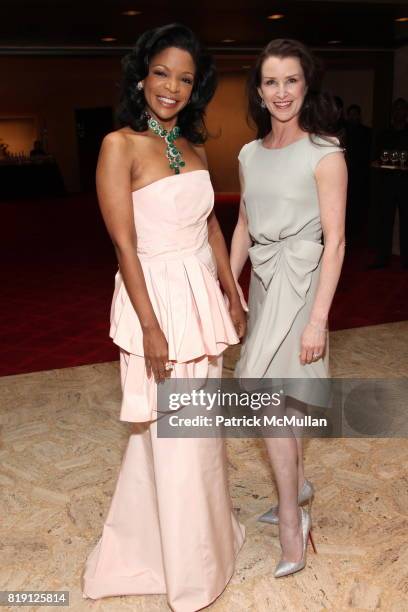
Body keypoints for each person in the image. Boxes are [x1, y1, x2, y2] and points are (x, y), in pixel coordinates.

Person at [81, 24, 246, 611]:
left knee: (196, 434)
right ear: (140, 74)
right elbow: (124, 247)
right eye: (161, 73)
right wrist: (150, 327)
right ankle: (185, 570)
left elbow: (210, 226)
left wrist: (231, 291)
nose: (171, 87)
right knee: (173, 435)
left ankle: (204, 543)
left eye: (184, 77)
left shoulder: (197, 149)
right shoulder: (118, 146)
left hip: (198, 299)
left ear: (195, 86)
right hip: (154, 301)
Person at [230, 38, 347, 578]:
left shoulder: (326, 152)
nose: (281, 92)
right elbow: (244, 226)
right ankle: (294, 487)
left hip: (302, 291)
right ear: (259, 90)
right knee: (275, 402)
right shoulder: (248, 154)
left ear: (306, 85)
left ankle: (290, 523)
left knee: (269, 402)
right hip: (265, 285)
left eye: (291, 81)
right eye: (271, 82)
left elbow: (336, 241)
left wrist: (319, 321)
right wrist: (229, 287)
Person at [370, 97, 408, 268]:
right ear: (392, 113)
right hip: (386, 183)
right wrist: (376, 163)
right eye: (396, 109)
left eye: (402, 109)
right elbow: (375, 157)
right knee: (384, 221)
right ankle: (382, 258)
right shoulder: (384, 133)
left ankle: (406, 260)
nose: (399, 112)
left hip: (406, 184)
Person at [344, 104, 372, 240]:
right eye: (352, 114)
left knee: (359, 205)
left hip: (361, 174)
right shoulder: (343, 132)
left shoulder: (367, 132)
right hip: (345, 174)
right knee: (346, 206)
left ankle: (358, 235)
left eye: (356, 114)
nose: (354, 117)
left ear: (360, 116)